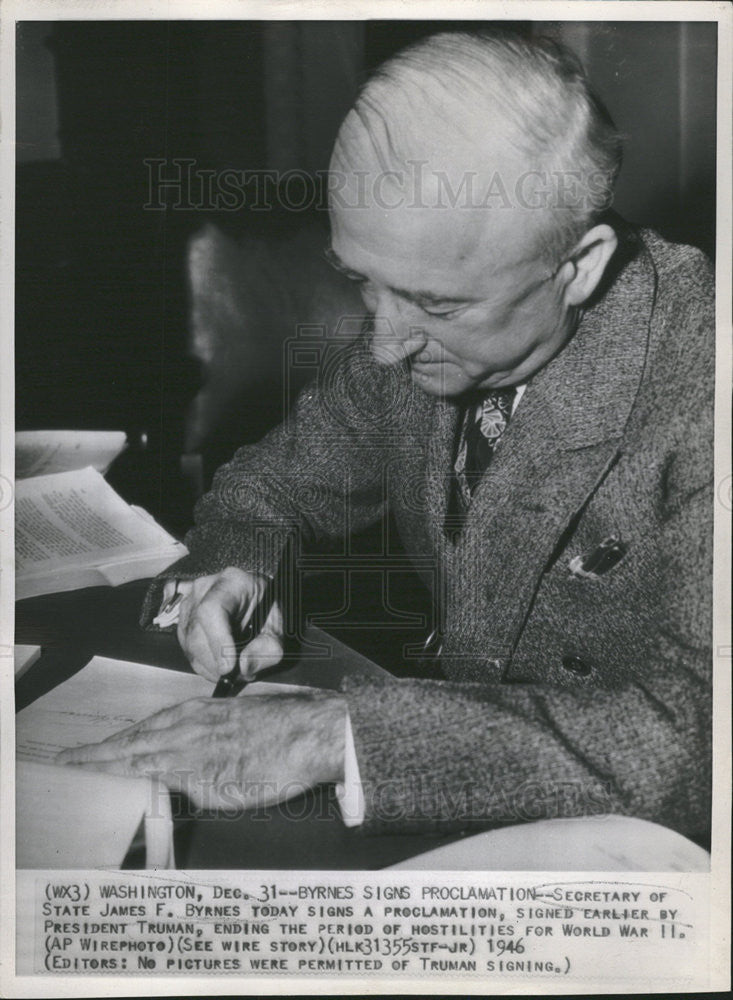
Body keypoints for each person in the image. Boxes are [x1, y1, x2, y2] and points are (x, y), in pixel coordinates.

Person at [60, 30, 713, 842]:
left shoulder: (702, 387)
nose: (382, 345)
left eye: (437, 306)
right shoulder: (419, 323)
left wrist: (339, 734)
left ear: (578, 264)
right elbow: (269, 486)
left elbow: (697, 745)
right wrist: (241, 565)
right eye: (361, 282)